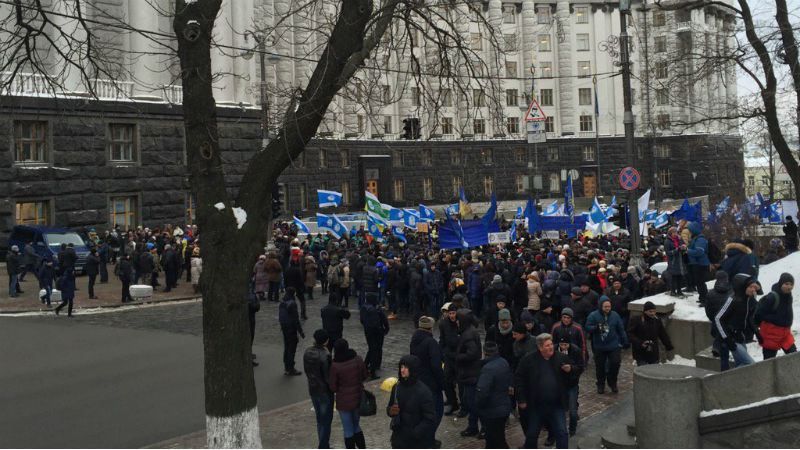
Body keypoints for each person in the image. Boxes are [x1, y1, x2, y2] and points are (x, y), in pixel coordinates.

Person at [514, 333, 570, 449]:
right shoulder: (529, 359)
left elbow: (574, 373)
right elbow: (519, 379)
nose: (551, 347)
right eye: (547, 345)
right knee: (532, 434)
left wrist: (571, 370)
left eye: (551, 344)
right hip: (537, 405)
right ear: (540, 348)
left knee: (562, 432)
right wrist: (521, 399)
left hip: (556, 404)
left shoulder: (560, 357)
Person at [386, 355, 437, 449]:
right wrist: (390, 411)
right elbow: (390, 408)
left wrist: (415, 433)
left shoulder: (423, 391)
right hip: (398, 439)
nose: (402, 370)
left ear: (413, 369)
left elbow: (430, 418)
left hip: (416, 442)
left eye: (405, 367)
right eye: (401, 367)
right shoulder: (396, 387)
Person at [713, 274, 759, 370]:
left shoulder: (749, 299)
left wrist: (757, 332)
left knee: (741, 365)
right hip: (731, 338)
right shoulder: (732, 300)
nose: (753, 289)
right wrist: (727, 339)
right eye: (750, 287)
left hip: (740, 337)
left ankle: (731, 380)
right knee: (750, 364)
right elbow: (718, 318)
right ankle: (725, 378)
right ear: (742, 287)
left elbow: (749, 317)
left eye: (754, 287)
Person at [329, 339, 368, 449]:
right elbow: (364, 375)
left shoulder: (335, 365)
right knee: (356, 426)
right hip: (358, 398)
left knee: (348, 429)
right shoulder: (358, 359)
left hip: (343, 402)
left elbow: (333, 387)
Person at [410, 316, 445, 433]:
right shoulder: (431, 342)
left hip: (418, 381)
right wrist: (442, 383)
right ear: (431, 328)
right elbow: (436, 366)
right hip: (431, 383)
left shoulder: (414, 340)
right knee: (437, 410)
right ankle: (429, 437)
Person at [585, 297, 627, 394]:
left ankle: (612, 382)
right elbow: (587, 327)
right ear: (601, 306)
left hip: (613, 344)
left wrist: (625, 340)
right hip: (599, 346)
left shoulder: (615, 315)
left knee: (615, 363)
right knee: (600, 366)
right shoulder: (593, 315)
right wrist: (596, 328)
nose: (608, 308)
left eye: (609, 306)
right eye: (605, 306)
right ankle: (600, 384)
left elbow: (621, 329)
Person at [476, 341, 512, 449]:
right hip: (503, 406)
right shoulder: (503, 362)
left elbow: (482, 392)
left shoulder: (488, 369)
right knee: (496, 439)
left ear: (484, 352)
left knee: (496, 441)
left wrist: (479, 405)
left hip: (492, 410)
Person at [754, 273, 796, 359]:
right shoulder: (772, 297)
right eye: (786, 284)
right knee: (769, 362)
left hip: (785, 334)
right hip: (771, 335)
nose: (789, 287)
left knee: (795, 358)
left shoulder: (789, 296)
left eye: (791, 284)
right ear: (781, 283)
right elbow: (759, 314)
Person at [304, 329, 334, 449]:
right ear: (326, 341)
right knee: (326, 420)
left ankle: (323, 444)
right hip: (325, 391)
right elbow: (328, 376)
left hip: (313, 388)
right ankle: (323, 446)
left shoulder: (307, 352)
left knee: (319, 419)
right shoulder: (325, 355)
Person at [455, 308, 483, 437]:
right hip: (470, 372)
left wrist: (458, 356)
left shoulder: (468, 334)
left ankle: (477, 427)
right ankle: (474, 426)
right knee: (470, 401)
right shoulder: (470, 331)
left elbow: (472, 353)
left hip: (471, 373)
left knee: (472, 402)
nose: (457, 323)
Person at [627, 301, 674, 366]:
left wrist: (668, 345)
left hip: (653, 352)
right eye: (650, 311)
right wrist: (640, 343)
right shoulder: (636, 320)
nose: (652, 313)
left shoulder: (657, 320)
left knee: (653, 371)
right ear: (645, 311)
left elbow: (663, 334)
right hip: (641, 353)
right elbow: (630, 334)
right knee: (643, 372)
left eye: (654, 311)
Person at [556, 335, 585, 437]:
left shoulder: (576, 350)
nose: (563, 347)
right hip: (558, 385)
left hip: (572, 384)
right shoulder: (554, 350)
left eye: (566, 345)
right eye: (561, 344)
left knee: (572, 411)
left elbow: (581, 367)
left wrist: (571, 368)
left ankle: (572, 429)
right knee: (558, 410)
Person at [360, 294, 390, 380]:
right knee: (375, 350)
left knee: (372, 349)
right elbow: (382, 320)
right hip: (377, 333)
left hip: (368, 332)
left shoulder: (364, 308)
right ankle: (372, 371)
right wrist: (384, 330)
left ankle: (365, 366)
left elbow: (362, 320)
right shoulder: (376, 310)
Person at [438, 303, 461, 416]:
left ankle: (463, 404)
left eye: (454, 313)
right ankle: (453, 402)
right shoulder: (443, 323)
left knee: (460, 382)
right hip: (448, 356)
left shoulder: (461, 322)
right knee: (447, 380)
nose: (452, 315)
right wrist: (441, 352)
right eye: (450, 313)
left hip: (459, 357)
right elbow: (442, 339)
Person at [279, 287, 305, 376]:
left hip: (284, 327)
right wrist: (301, 332)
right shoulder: (292, 304)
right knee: (291, 349)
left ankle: (286, 367)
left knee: (286, 347)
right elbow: (296, 319)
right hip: (291, 328)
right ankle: (291, 368)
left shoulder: (283, 301)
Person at [686, 222, 710, 306]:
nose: (689, 232)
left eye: (690, 230)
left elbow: (699, 252)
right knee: (698, 282)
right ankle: (702, 297)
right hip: (697, 263)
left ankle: (705, 300)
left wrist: (687, 251)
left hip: (701, 264)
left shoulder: (700, 239)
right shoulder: (695, 238)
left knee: (701, 282)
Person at [665, 227, 687, 297]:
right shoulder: (667, 241)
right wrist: (677, 249)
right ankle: (673, 291)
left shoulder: (680, 239)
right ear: (670, 233)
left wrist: (684, 247)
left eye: (676, 232)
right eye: (673, 232)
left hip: (680, 261)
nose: (675, 234)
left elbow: (684, 246)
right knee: (673, 277)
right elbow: (668, 253)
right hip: (673, 262)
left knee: (679, 277)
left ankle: (679, 291)